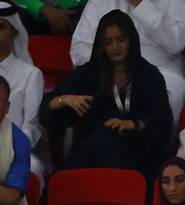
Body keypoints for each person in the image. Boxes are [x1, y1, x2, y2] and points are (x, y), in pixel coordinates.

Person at [41, 10, 169, 173]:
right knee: (102, 141)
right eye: (108, 42)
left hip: (138, 153)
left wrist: (131, 124)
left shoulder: (149, 75)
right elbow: (47, 107)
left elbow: (162, 122)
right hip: (93, 154)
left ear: (131, 40)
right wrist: (65, 100)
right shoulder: (88, 73)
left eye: (121, 40)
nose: (115, 47)